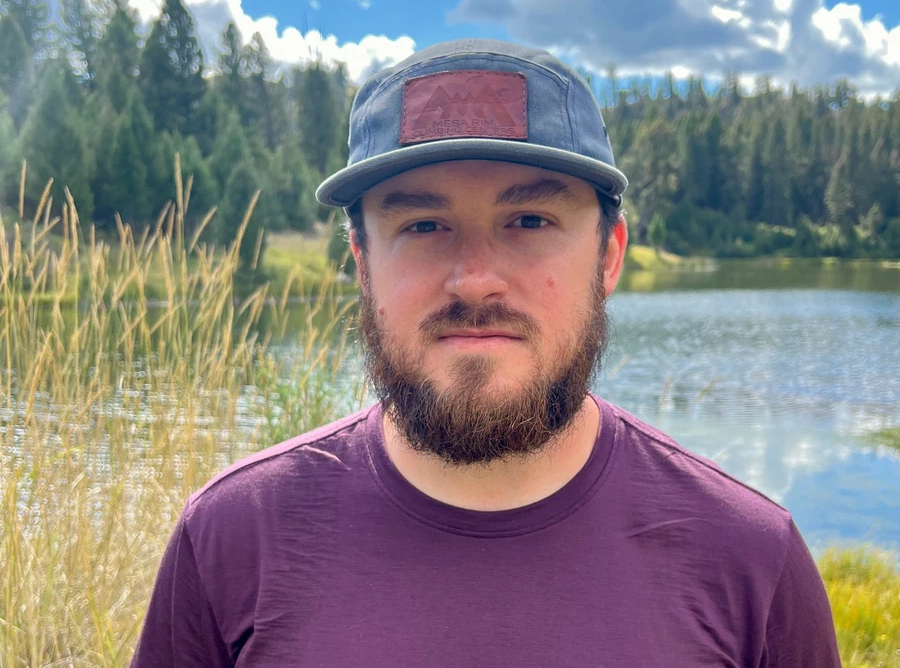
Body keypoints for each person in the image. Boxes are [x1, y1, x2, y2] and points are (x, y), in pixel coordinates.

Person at [131, 39, 842, 667]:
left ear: (608, 257)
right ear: (361, 261)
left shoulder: (749, 559)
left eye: (529, 219)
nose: (475, 278)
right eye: (423, 223)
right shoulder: (230, 539)